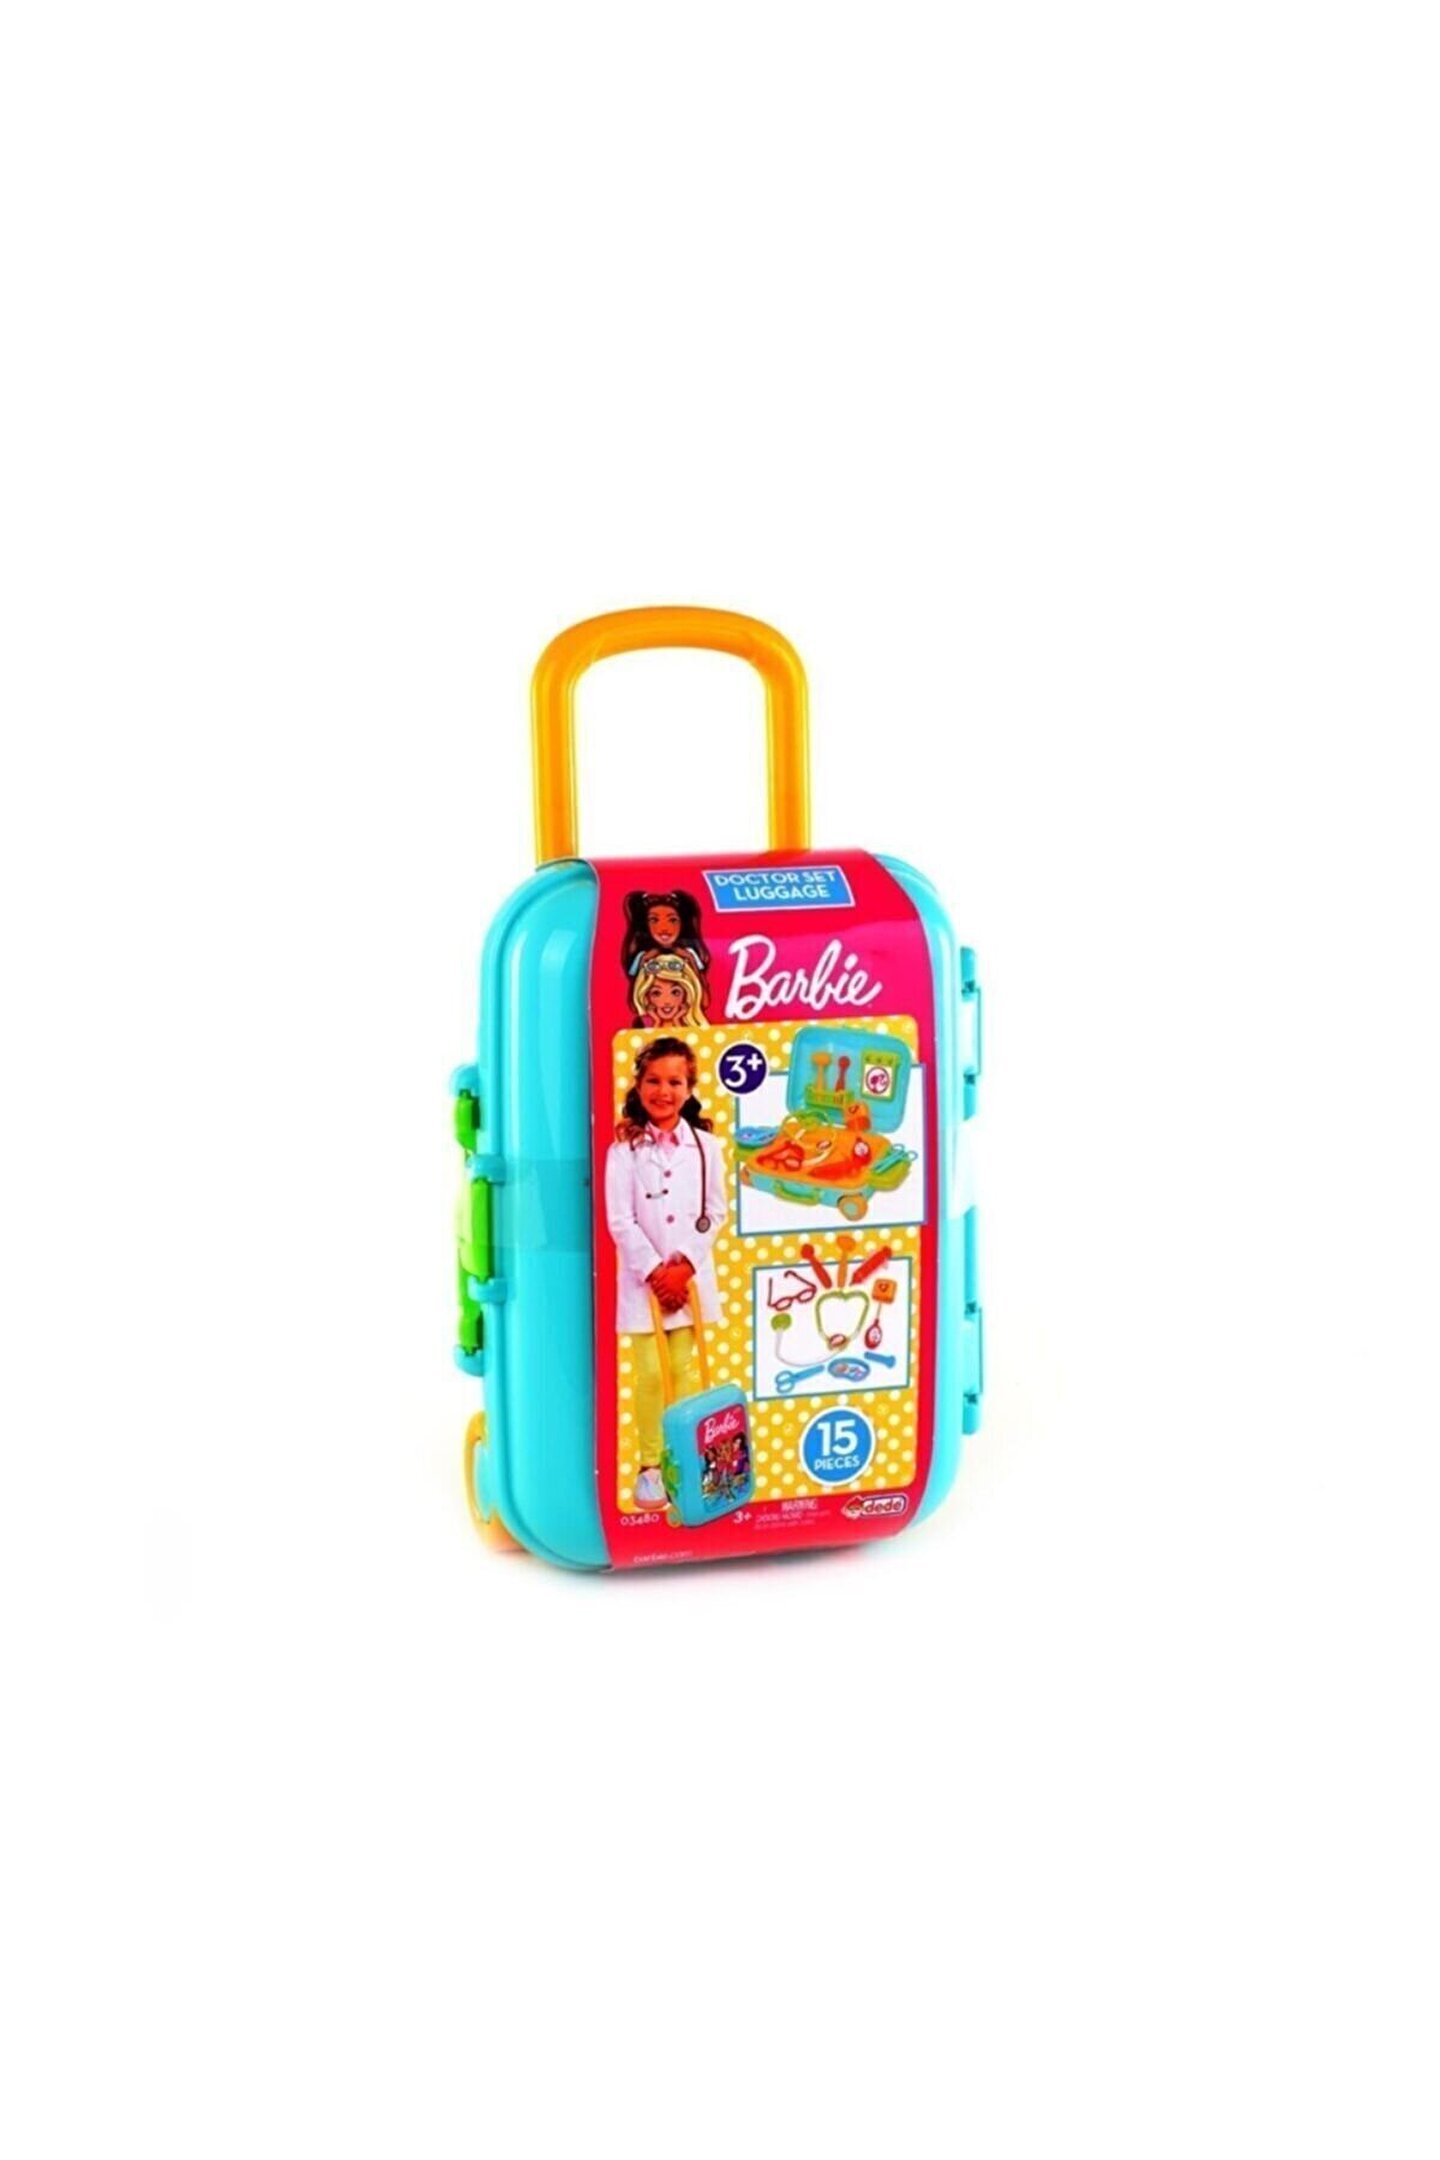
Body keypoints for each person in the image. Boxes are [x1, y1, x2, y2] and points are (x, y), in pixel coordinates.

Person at [605, 1037, 727, 1509]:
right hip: (645, 1284)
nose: (664, 1091)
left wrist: (685, 1267)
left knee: (683, 1368)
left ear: (689, 1088)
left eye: (675, 1081)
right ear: (638, 1086)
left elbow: (714, 1212)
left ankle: (688, 1454)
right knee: (652, 1372)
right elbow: (620, 1220)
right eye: (653, 1080)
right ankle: (651, 1465)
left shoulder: (707, 1147)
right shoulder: (624, 1151)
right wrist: (657, 1272)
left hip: (688, 1281)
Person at [620, 890, 712, 1017]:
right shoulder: (642, 957)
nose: (664, 928)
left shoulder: (690, 954)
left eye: (673, 920)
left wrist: (691, 961)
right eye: (654, 920)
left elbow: (704, 1002)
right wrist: (643, 964)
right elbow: (635, 1005)